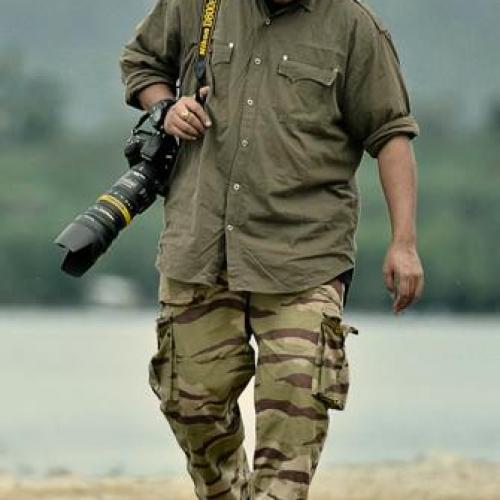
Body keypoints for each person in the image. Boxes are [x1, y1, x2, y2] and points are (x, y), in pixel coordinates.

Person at [120, 0, 424, 498]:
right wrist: (166, 107)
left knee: (296, 401)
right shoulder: (198, 5)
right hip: (201, 245)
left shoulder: (354, 27)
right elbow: (142, 63)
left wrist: (404, 243)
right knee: (191, 403)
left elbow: (391, 134)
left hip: (305, 255)